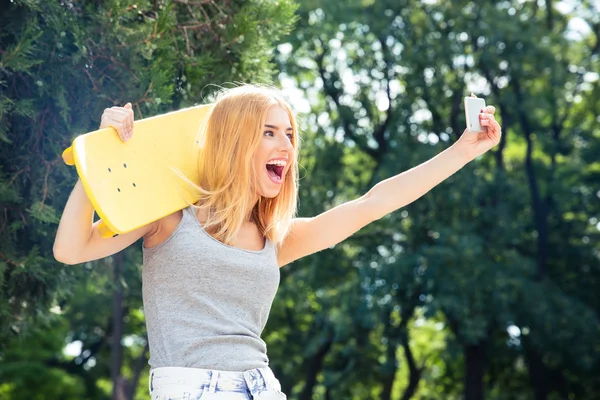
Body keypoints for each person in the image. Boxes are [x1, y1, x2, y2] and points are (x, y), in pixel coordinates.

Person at [53, 84, 502, 399]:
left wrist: (465, 149)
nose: (285, 145)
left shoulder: (274, 238)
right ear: (232, 140)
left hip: (262, 387)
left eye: (289, 134)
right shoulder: (168, 216)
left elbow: (372, 203)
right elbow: (71, 250)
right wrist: (97, 157)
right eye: (268, 132)